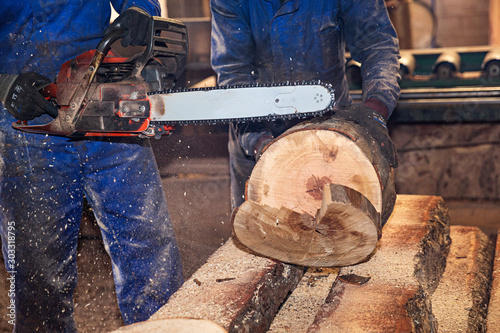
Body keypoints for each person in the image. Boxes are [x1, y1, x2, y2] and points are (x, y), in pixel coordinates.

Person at [0, 1, 183, 331]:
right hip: (24, 119)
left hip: (99, 96)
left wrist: (140, 8)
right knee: (39, 279)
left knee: (149, 251)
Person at [210, 0, 401, 209]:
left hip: (335, 134)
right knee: (258, 233)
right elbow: (233, 72)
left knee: (345, 228)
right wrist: (258, 141)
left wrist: (376, 109)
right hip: (256, 130)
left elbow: (377, 43)